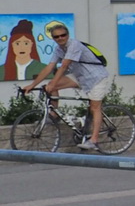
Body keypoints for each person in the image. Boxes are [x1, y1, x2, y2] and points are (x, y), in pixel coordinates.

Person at [21, 20, 112, 150]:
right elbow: (49, 67)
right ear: (53, 38)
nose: (60, 38)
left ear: (67, 34)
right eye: (56, 36)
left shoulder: (74, 45)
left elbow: (64, 66)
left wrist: (53, 83)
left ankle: (94, 140)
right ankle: (54, 115)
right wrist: (32, 85)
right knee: (51, 85)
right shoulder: (58, 49)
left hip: (95, 77)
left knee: (95, 108)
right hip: (79, 76)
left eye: (63, 35)